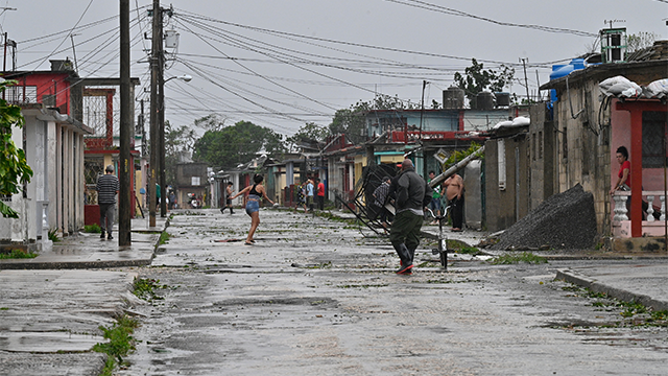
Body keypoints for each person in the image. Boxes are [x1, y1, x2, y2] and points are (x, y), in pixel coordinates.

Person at [389, 159, 428, 275]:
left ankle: (406, 261)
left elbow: (403, 189)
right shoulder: (420, 178)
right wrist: (422, 205)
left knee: (396, 236)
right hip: (419, 213)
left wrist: (400, 204)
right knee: (412, 239)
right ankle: (408, 266)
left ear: (403, 168)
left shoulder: (405, 176)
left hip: (407, 211)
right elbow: (429, 193)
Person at [230, 174, 276, 245]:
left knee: (257, 221)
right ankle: (248, 239)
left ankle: (251, 237)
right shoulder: (261, 187)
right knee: (255, 224)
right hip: (254, 205)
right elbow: (265, 196)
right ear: (261, 181)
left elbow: (241, 192)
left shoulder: (251, 187)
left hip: (248, 206)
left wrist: (234, 197)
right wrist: (270, 201)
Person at [96, 164, 120, 240]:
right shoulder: (115, 179)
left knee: (102, 216)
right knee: (110, 218)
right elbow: (117, 190)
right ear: (113, 171)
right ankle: (109, 233)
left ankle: (103, 232)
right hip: (111, 201)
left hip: (102, 200)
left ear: (106, 171)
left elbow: (98, 189)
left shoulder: (100, 178)